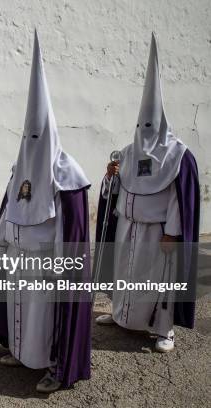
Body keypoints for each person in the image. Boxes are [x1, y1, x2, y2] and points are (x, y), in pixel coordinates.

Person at [0, 31, 92, 393]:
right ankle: (19, 351)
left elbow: (70, 228)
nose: (30, 144)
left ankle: (53, 366)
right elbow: (10, 209)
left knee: (44, 320)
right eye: (26, 136)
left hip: (46, 264)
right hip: (18, 258)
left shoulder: (66, 173)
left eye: (37, 136)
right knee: (20, 314)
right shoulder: (21, 167)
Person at [94, 34, 200, 353]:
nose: (146, 134)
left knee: (158, 283)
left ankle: (164, 330)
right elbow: (116, 189)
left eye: (151, 127)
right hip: (128, 226)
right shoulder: (128, 151)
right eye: (142, 127)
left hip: (158, 233)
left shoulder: (177, 156)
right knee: (124, 274)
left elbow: (178, 198)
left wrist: (172, 233)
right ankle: (121, 315)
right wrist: (109, 177)